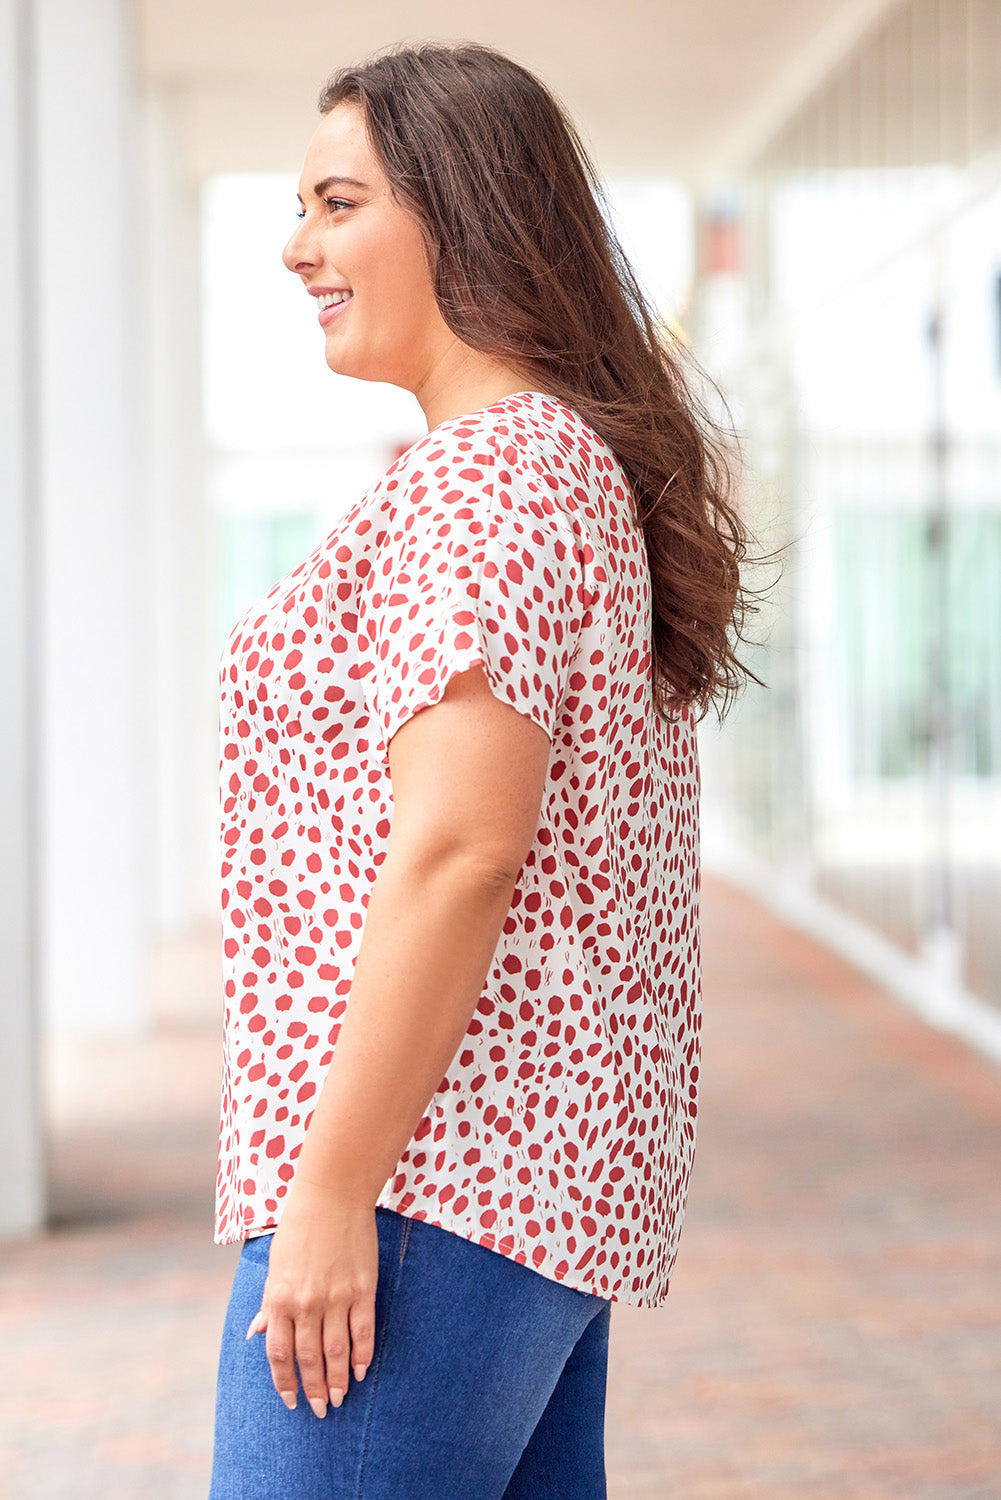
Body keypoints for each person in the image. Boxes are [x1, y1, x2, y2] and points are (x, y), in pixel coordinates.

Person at [208, 40, 752, 1500]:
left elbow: (462, 849)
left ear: (460, 210)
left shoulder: (487, 474)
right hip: (511, 1196)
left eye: (336, 201)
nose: (294, 246)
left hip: (420, 1182)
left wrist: (329, 1193)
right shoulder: (557, 464)